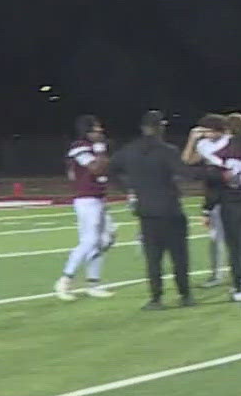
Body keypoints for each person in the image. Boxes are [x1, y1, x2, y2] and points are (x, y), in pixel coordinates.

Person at [108, 110, 194, 309]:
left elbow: (111, 171)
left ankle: (156, 298)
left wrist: (128, 188)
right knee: (179, 256)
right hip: (170, 210)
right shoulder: (167, 150)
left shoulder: (129, 150)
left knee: (153, 259)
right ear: (160, 127)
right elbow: (185, 172)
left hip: (146, 210)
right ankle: (185, 295)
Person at [195, 113, 241, 309]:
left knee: (234, 249)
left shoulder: (221, 154)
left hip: (229, 206)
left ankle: (237, 287)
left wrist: (207, 209)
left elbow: (213, 184)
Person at [53, 115, 116, 301]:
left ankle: (93, 283)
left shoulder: (92, 148)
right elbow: (96, 168)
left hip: (98, 198)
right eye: (97, 128)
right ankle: (65, 279)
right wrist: (99, 148)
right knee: (90, 241)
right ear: (87, 130)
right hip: (86, 199)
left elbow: (105, 168)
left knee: (106, 238)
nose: (101, 131)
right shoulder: (79, 147)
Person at [183, 118, 231, 288]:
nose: (207, 134)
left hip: (232, 192)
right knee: (215, 237)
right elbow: (187, 160)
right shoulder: (204, 144)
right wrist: (192, 139)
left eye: (210, 130)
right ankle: (217, 274)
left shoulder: (229, 141)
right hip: (213, 193)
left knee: (235, 236)